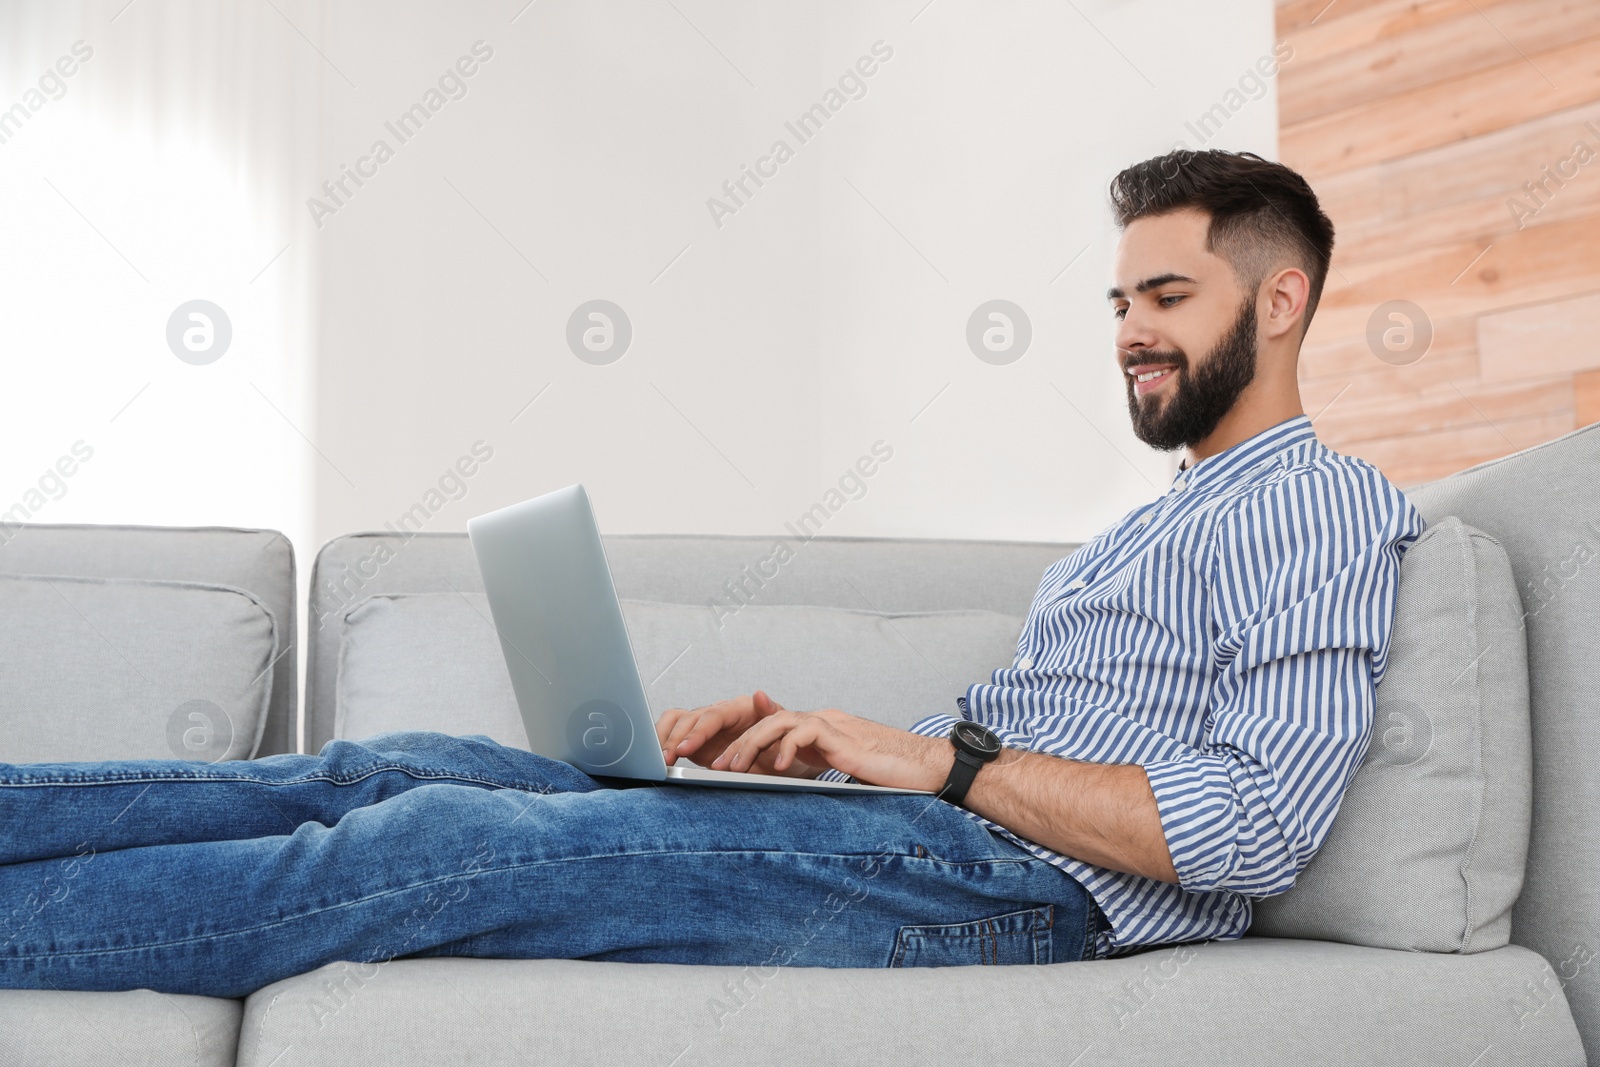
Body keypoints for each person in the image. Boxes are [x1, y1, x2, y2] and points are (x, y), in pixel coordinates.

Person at [0, 149, 1422, 998]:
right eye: (1120, 301)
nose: (1129, 331)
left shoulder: (1320, 509)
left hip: (1016, 894)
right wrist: (823, 753)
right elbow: (1020, 758)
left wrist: (947, 767)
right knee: (377, 771)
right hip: (947, 837)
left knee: (436, 842)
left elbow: (1253, 833)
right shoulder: (1159, 520)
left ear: (1281, 301)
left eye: (1167, 297)